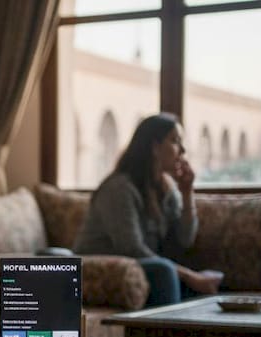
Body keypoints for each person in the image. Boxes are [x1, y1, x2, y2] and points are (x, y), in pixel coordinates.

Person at [74, 112, 221, 306]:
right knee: (165, 272)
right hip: (103, 269)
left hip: (142, 268)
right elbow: (131, 248)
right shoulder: (119, 188)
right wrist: (191, 277)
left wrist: (187, 193)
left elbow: (185, 239)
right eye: (175, 141)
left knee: (213, 284)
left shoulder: (165, 187)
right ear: (155, 147)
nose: (183, 150)